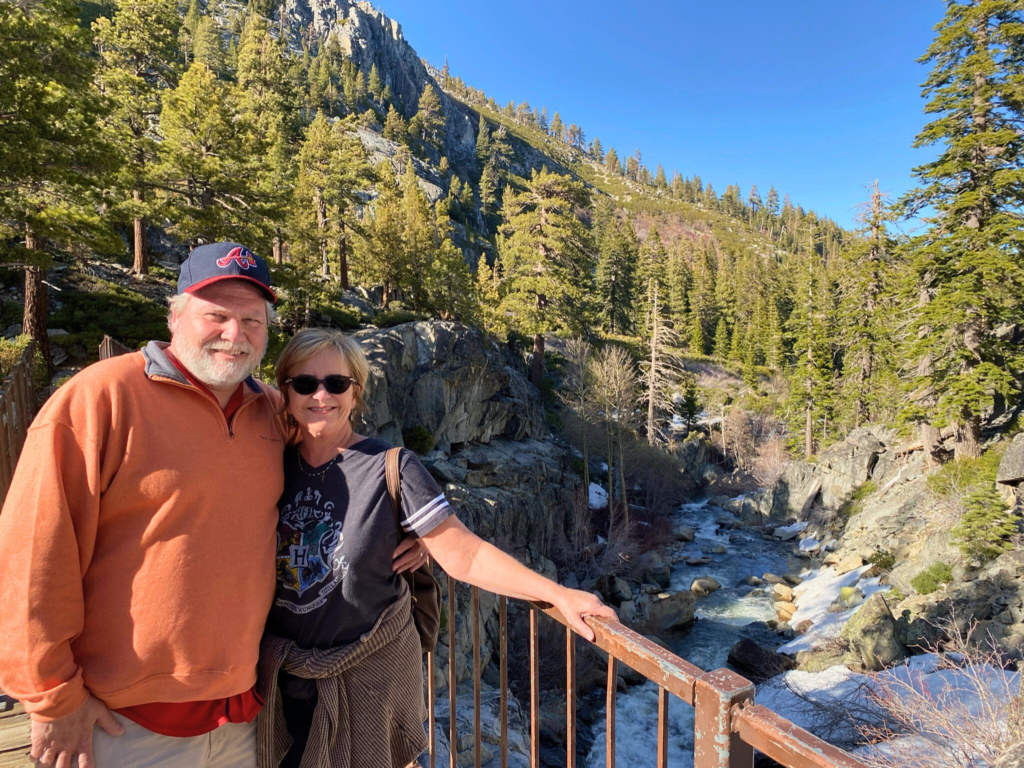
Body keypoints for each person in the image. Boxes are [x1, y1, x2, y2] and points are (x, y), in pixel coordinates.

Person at [0, 242, 425, 768]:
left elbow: (338, 467)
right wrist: (52, 697)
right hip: (122, 719)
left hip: (246, 712)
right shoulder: (100, 398)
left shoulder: (273, 410)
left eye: (252, 319)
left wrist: (413, 527)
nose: (234, 333)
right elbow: (32, 555)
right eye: (216, 315)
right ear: (176, 315)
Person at [258, 328, 617, 768]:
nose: (320, 395)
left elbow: (464, 553)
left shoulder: (391, 466)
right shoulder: (266, 461)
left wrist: (558, 595)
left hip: (366, 685)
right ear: (285, 390)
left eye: (336, 383)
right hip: (279, 683)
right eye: (304, 383)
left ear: (356, 393)